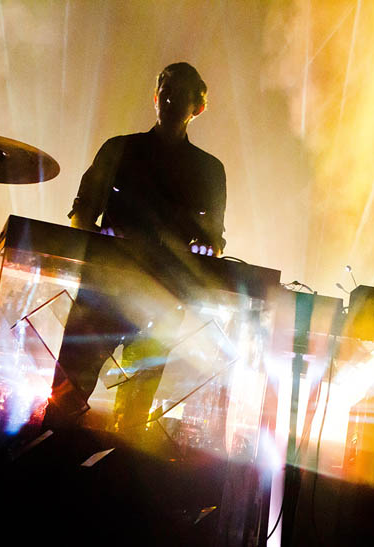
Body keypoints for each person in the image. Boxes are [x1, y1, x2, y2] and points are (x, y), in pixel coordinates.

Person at [43, 62, 227, 433]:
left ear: (198, 108)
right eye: (166, 90)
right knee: (67, 398)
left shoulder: (208, 171)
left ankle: (101, 466)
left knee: (131, 414)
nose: (170, 99)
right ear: (156, 96)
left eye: (180, 94)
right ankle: (54, 455)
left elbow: (215, 241)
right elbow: (82, 214)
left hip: (158, 297)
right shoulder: (119, 150)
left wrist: (204, 251)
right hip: (109, 288)